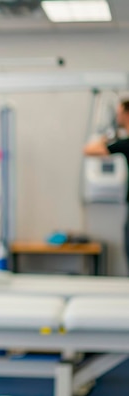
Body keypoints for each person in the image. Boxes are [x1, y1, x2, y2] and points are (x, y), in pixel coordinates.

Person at [83, 97, 129, 268]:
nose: (117, 118)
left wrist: (107, 137)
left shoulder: (126, 143)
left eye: (119, 114)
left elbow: (89, 150)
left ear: (126, 114)